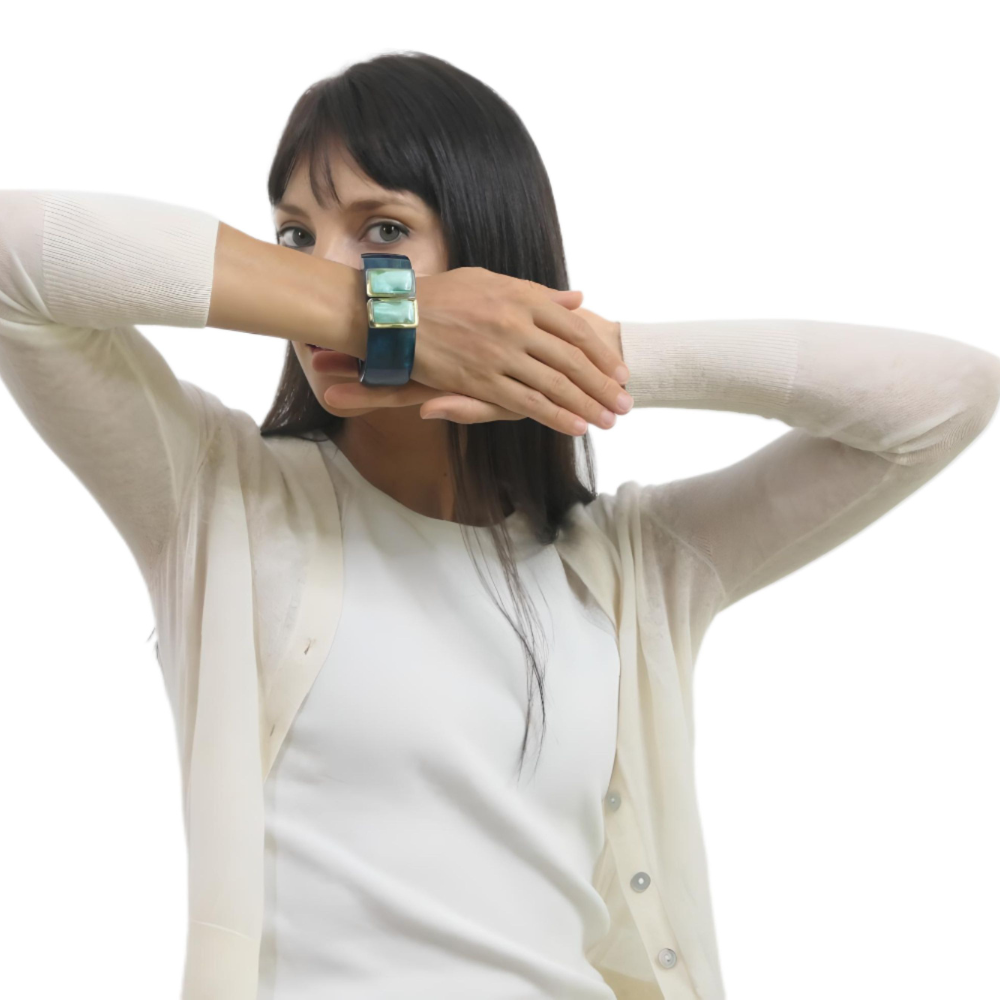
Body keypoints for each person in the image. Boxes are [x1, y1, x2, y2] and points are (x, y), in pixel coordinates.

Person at [1, 51, 998, 1000]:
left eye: (381, 229)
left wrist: (568, 352)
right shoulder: (217, 498)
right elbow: (15, 259)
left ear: (488, 263)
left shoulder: (631, 566)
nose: (325, 271)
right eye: (295, 237)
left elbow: (943, 401)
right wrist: (382, 309)